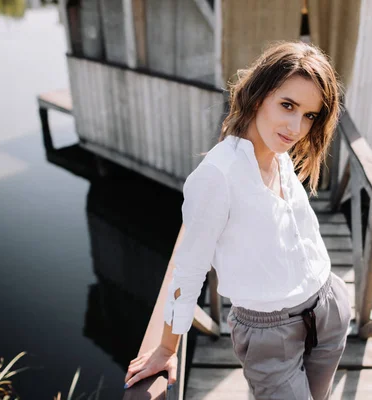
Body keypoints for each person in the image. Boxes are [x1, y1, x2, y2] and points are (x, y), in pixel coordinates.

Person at [124, 41, 351, 400]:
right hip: (270, 332)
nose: (296, 127)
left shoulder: (280, 156)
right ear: (259, 95)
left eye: (309, 115)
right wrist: (167, 349)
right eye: (287, 105)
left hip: (328, 306)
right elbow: (189, 268)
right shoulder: (217, 175)